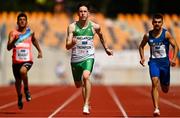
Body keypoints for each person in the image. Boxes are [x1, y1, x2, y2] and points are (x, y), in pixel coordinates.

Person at [65, 2, 113, 115]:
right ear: (78, 13)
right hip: (76, 59)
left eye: (85, 11)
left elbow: (101, 36)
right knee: (78, 85)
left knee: (86, 77)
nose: (83, 13)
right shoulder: (72, 27)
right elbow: (67, 46)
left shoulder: (95, 26)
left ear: (88, 13)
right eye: (81, 11)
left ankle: (86, 104)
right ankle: (86, 101)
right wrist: (72, 43)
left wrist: (106, 48)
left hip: (88, 56)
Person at [139, 13, 179, 117]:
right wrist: (142, 57)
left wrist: (174, 59)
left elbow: (176, 46)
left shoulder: (166, 34)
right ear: (152, 23)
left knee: (165, 89)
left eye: (159, 22)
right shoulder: (148, 35)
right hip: (154, 62)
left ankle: (164, 82)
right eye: (155, 22)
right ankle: (156, 108)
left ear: (162, 23)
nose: (157, 24)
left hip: (165, 63)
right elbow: (141, 46)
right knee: (154, 82)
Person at [7, 12, 43, 109]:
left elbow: (34, 40)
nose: (22, 21)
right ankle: (19, 96)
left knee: (23, 71)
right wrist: (14, 41)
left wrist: (39, 50)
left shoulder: (30, 32)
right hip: (16, 62)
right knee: (18, 82)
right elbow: (8, 48)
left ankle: (26, 89)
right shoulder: (13, 33)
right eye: (20, 20)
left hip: (27, 60)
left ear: (27, 22)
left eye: (24, 20)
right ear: (17, 22)